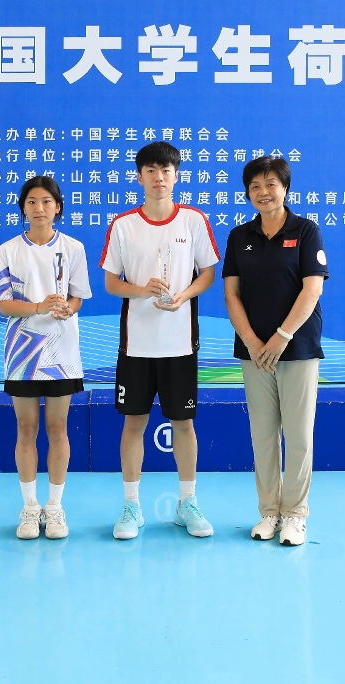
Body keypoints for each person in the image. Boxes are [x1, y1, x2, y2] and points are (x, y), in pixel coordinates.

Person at [101, 141, 219, 540]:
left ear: (176, 175)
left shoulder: (193, 221)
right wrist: (141, 290)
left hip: (179, 344)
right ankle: (131, 506)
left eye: (166, 170)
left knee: (183, 423)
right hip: (136, 346)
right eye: (150, 170)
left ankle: (188, 503)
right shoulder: (123, 225)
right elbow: (111, 283)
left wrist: (183, 296)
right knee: (134, 422)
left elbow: (208, 273)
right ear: (139, 177)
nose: (159, 177)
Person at [222, 157, 328, 546]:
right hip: (255, 353)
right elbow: (231, 295)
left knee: (298, 435)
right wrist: (252, 341)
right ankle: (269, 512)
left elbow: (312, 288)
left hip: (297, 347)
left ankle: (295, 515)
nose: (263, 192)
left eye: (271, 184)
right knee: (263, 436)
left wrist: (282, 336)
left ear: (285, 188)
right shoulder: (239, 236)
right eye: (255, 186)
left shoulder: (306, 231)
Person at [0, 176, 91, 540]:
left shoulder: (74, 248)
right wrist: (38, 307)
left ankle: (55, 507)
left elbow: (78, 296)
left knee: (57, 428)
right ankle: (30, 508)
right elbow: (3, 304)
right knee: (27, 428)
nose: (39, 208)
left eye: (46, 201)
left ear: (57, 207)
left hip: (61, 353)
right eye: (32, 201)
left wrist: (67, 309)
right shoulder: (8, 250)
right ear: (23, 208)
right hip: (23, 354)